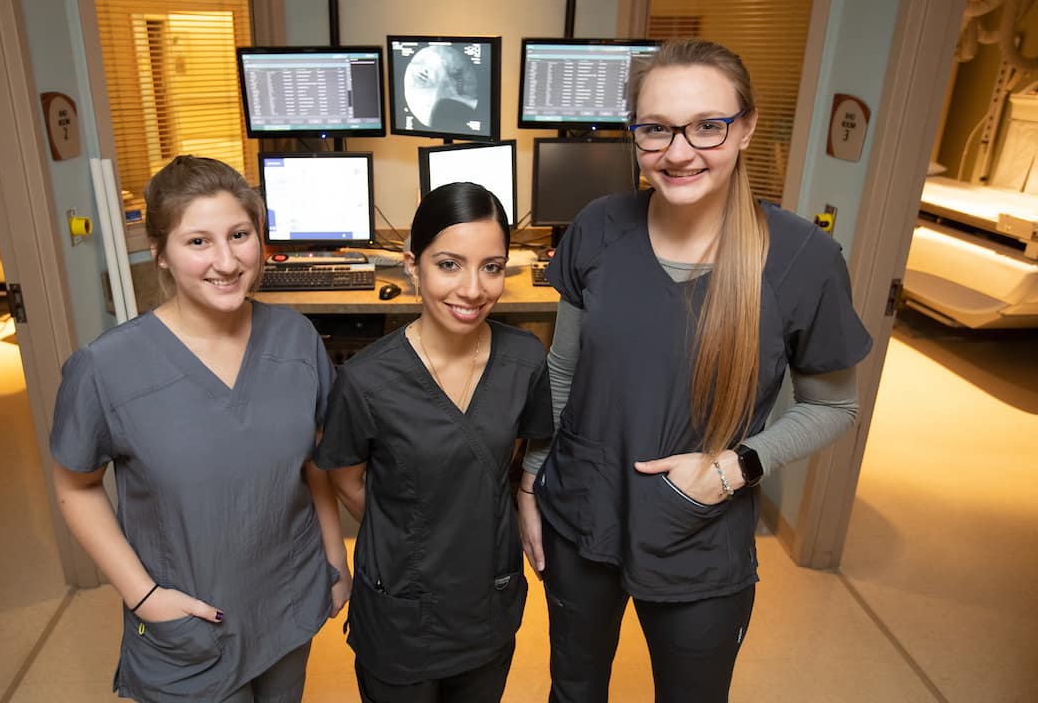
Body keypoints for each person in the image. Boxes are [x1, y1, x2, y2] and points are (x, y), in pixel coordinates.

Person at [516, 39, 873, 702]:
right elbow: (561, 375)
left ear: (747, 127)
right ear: (635, 133)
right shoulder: (597, 229)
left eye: (708, 125)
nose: (678, 152)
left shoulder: (802, 259)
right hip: (581, 514)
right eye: (655, 129)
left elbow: (833, 407)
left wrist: (731, 470)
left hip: (699, 534)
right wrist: (533, 483)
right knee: (573, 689)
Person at [49, 155, 351, 702]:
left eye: (240, 235)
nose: (227, 261)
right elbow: (75, 487)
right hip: (188, 622)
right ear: (160, 254)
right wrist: (144, 599)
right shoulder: (107, 368)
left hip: (287, 601)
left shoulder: (295, 339)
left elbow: (314, 460)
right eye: (198, 242)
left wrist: (335, 558)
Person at [316, 182, 553, 703]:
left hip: (487, 598)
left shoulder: (524, 360)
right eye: (449, 264)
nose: (472, 289)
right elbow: (346, 478)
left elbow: (504, 461)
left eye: (491, 266)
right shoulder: (366, 381)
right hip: (402, 607)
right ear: (411, 265)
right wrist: (413, 522)